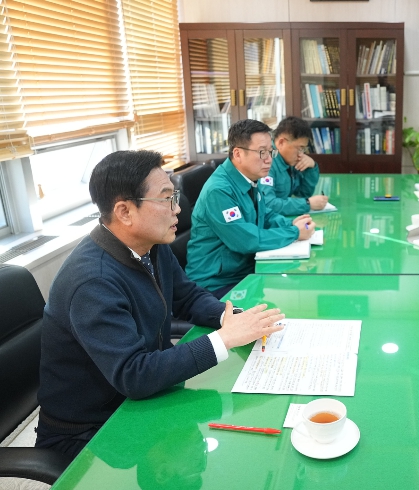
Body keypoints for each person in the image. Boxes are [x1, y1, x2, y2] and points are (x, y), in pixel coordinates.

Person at [36, 150, 285, 457]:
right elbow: (134, 374)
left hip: (141, 401)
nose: (178, 208)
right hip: (91, 430)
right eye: (167, 199)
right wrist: (224, 339)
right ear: (125, 212)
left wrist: (233, 318)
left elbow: (187, 296)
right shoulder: (92, 280)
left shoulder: (150, 245)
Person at [187, 119, 316, 298]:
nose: (269, 160)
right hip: (215, 284)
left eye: (270, 152)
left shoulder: (250, 178)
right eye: (262, 152)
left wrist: (290, 224)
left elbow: (265, 215)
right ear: (238, 153)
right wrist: (294, 232)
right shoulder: (218, 191)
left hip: (243, 272)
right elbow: (246, 240)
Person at [262, 116, 329, 216]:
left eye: (304, 149)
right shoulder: (266, 162)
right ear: (281, 143)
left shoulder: (289, 160)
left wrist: (311, 168)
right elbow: (267, 204)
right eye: (300, 148)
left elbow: (302, 194)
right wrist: (307, 204)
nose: (301, 154)